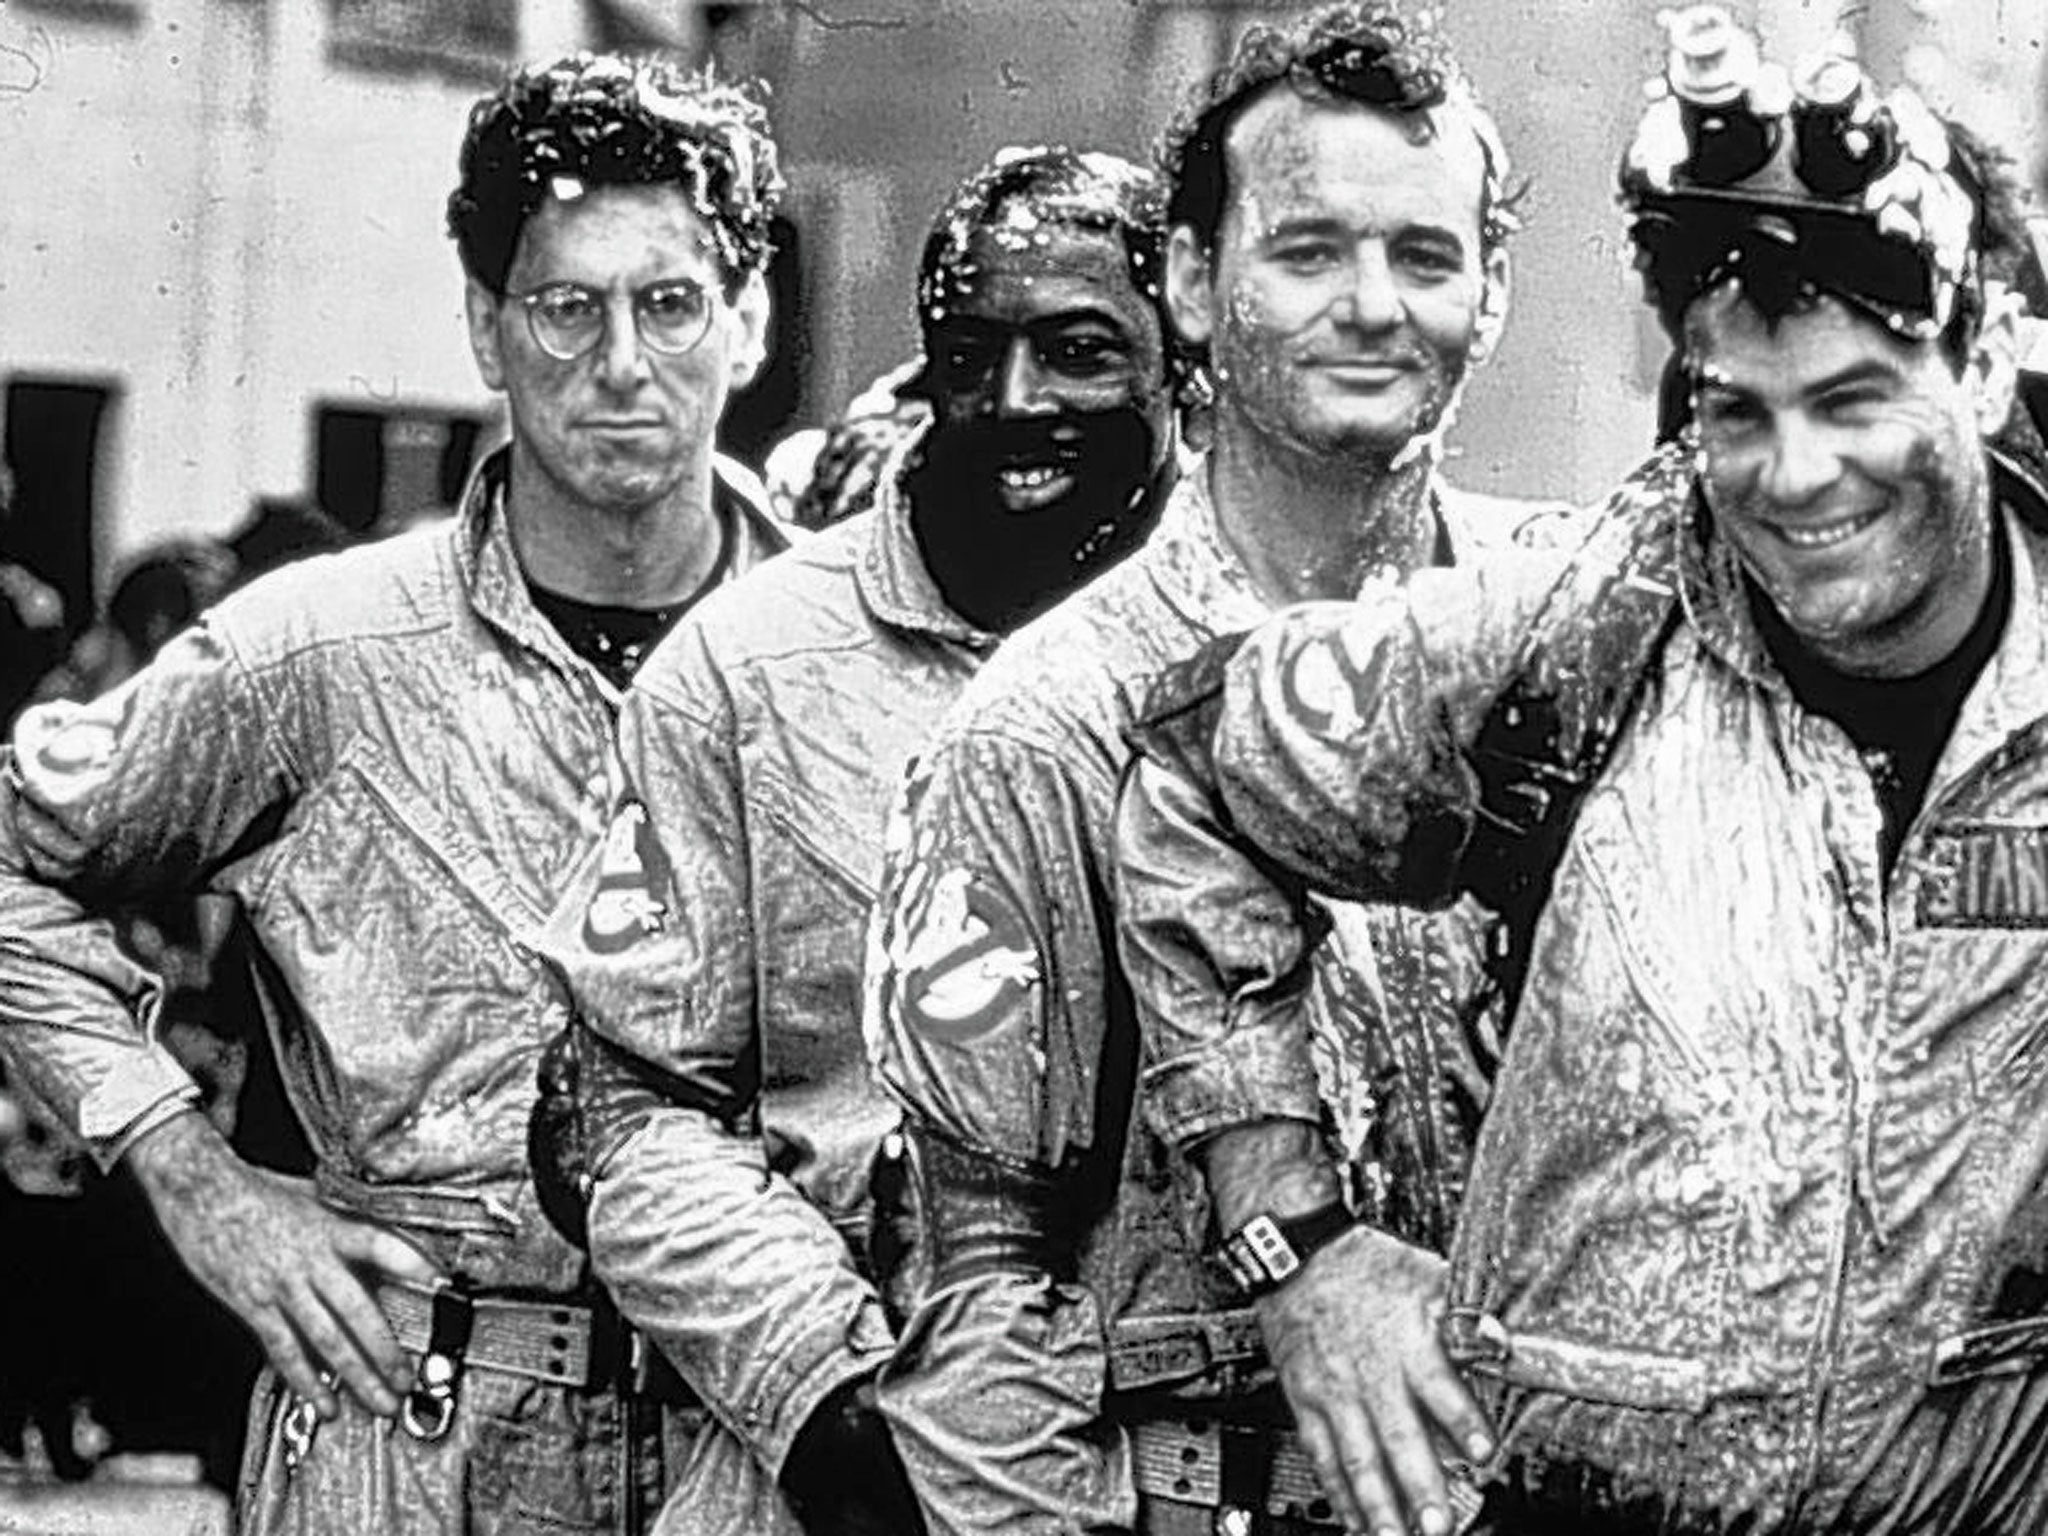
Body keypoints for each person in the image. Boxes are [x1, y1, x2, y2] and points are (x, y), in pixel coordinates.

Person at [1114, 11, 2048, 1533]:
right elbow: (1194, 780)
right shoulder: (1588, 628)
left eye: (1854, 401)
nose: (1794, 476)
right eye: (1736, 411)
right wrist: (1300, 1248)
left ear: (1990, 357)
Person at [0, 52, 788, 1535]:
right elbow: (10, 867)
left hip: (758, 1447)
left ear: (744, 323)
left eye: (672, 303)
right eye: (566, 306)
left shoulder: (849, 651)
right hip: (416, 1429)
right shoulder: (322, 646)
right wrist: (192, 1179)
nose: (622, 361)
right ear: (487, 329)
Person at [863, 6, 1565, 1532]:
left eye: (1427, 257)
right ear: (1192, 281)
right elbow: (980, 1297)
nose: (1372, 307)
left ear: (1494, 293)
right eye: (1307, 251)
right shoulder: (1049, 725)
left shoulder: (1566, 643)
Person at [530, 146, 1180, 1536]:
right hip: (827, 1472)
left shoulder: (1282, 653)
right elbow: (615, 1105)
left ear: (1184, 347)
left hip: (1175, 1463)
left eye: (1079, 352)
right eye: (970, 353)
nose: (1018, 402)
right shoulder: (744, 667)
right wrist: (829, 1401)